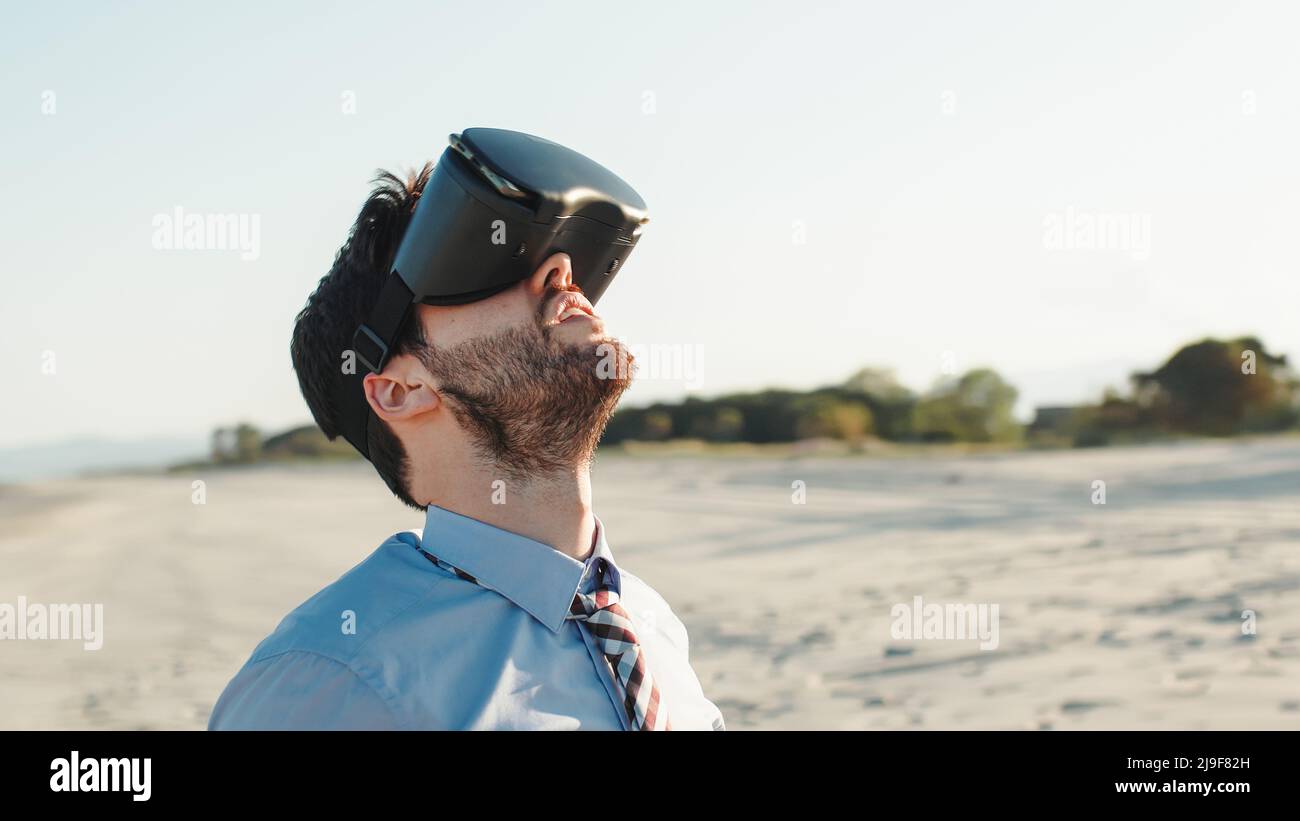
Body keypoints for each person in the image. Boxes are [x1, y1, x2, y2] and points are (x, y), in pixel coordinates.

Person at [207, 162, 725, 730]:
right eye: (482, 260)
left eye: (558, 249)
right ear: (402, 391)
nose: (562, 270)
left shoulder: (652, 624)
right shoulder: (328, 681)